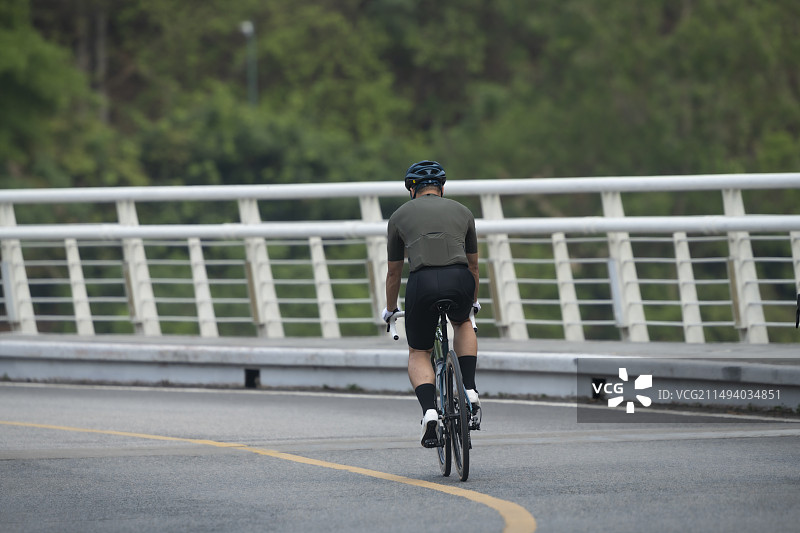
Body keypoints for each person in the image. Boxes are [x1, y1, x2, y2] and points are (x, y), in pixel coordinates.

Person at [382, 160, 481, 448]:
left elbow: (394, 272)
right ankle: (469, 389)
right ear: (441, 188)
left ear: (412, 190)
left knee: (419, 351)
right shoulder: (463, 212)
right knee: (462, 322)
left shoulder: (398, 216)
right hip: (459, 278)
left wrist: (391, 310)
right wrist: (472, 301)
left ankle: (429, 412)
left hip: (422, 283)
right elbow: (474, 266)